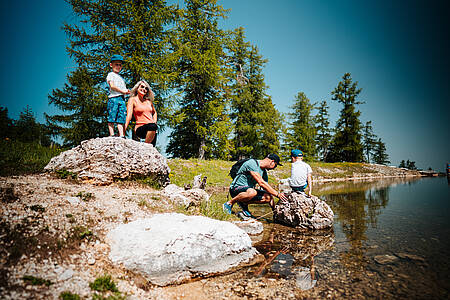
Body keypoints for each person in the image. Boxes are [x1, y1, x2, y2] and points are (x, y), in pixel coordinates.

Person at [223, 154, 288, 217]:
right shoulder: (252, 163)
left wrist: (275, 211)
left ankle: (243, 204)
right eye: (275, 165)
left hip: (248, 191)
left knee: (268, 197)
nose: (274, 168)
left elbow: (266, 187)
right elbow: (261, 183)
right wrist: (277, 194)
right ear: (272, 162)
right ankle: (229, 203)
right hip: (236, 188)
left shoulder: (263, 172)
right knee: (252, 192)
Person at [124, 80, 158, 146]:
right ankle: (145, 147)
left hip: (152, 129)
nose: (144, 89)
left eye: (146, 88)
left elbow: (154, 113)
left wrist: (154, 121)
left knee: (152, 149)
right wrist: (123, 131)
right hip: (140, 128)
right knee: (152, 127)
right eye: (142, 87)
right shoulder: (132, 100)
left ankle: (147, 149)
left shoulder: (148, 101)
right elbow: (129, 115)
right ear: (137, 88)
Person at [106, 55, 130, 137]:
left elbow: (123, 89)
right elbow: (112, 86)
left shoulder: (121, 78)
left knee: (121, 117)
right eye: (116, 64)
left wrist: (126, 91)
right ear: (111, 65)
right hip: (114, 98)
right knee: (112, 116)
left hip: (122, 99)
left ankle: (121, 135)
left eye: (120, 65)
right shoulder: (111, 75)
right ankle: (112, 134)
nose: (118, 66)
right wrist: (122, 91)